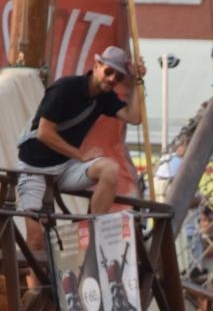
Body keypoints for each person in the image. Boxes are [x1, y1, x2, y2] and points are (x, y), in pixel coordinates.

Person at [15, 46, 146, 217]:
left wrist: (138, 81)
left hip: (65, 167)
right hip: (34, 169)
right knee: (36, 239)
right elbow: (44, 133)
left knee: (110, 169)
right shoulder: (66, 87)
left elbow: (134, 117)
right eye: (109, 71)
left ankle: (94, 229)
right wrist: (80, 155)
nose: (112, 79)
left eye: (119, 77)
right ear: (97, 65)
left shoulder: (105, 97)